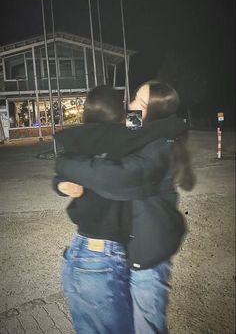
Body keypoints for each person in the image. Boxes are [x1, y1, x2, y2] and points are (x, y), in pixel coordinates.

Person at [55, 82, 195, 333]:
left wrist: (64, 164)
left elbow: (116, 177)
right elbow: (99, 146)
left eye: (138, 103)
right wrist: (60, 181)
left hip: (147, 256)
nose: (129, 106)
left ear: (154, 114)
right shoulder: (138, 136)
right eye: (132, 99)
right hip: (128, 250)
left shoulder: (159, 145)